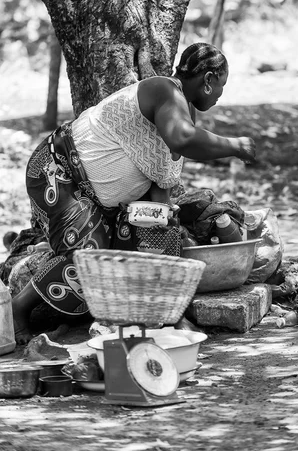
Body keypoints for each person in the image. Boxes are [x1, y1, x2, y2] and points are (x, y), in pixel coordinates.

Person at [11, 42, 256, 344]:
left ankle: (166, 317)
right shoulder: (164, 91)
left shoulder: (180, 110)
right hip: (57, 171)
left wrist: (163, 229)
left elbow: (159, 190)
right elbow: (182, 138)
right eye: (220, 87)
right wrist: (236, 146)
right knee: (90, 259)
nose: (220, 96)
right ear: (207, 80)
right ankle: (17, 309)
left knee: (153, 235)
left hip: (100, 201)